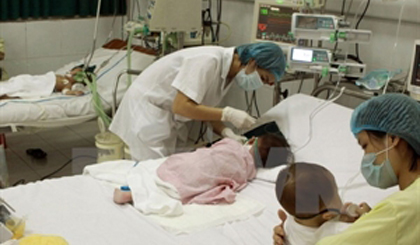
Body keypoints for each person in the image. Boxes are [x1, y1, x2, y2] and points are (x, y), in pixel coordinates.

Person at [273, 93, 420, 245]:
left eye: (365, 146)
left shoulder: (397, 211)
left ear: (393, 139)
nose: (366, 158)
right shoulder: (402, 208)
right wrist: (371, 219)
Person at [109, 43, 286, 161]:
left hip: (166, 115)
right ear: (252, 63)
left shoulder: (228, 74)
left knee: (165, 168)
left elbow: (204, 108)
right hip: (147, 110)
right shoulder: (208, 60)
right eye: (263, 78)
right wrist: (228, 113)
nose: (260, 84)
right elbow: (182, 106)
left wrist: (227, 132)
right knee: (150, 170)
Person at [114, 133, 293, 205]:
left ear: (252, 141)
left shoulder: (231, 143)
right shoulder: (245, 175)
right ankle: (135, 193)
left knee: (185, 163)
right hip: (193, 180)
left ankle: (133, 192)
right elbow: (229, 186)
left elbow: (212, 150)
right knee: (179, 186)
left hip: (186, 164)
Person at [275, 162, 368, 245]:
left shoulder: (287, 225)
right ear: (328, 215)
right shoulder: (336, 231)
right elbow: (369, 233)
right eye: (336, 193)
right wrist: (366, 216)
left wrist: (340, 216)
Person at [0, 65, 89, 100]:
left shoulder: (67, 83)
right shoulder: (62, 76)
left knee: (20, 90)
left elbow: (66, 91)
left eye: (76, 75)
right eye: (73, 72)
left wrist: (74, 92)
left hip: (40, 86)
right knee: (18, 82)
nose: (72, 74)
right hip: (35, 80)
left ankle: (2, 95)